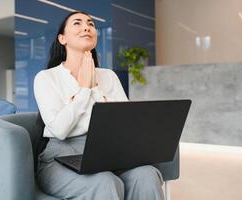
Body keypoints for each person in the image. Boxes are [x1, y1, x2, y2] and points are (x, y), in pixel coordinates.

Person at [34, 11, 165, 200]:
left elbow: (125, 125)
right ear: (62, 38)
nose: (86, 27)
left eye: (91, 24)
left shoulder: (108, 76)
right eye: (77, 23)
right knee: (105, 182)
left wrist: (95, 88)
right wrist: (84, 90)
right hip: (60, 156)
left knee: (146, 175)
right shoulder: (46, 78)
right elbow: (60, 130)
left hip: (109, 152)